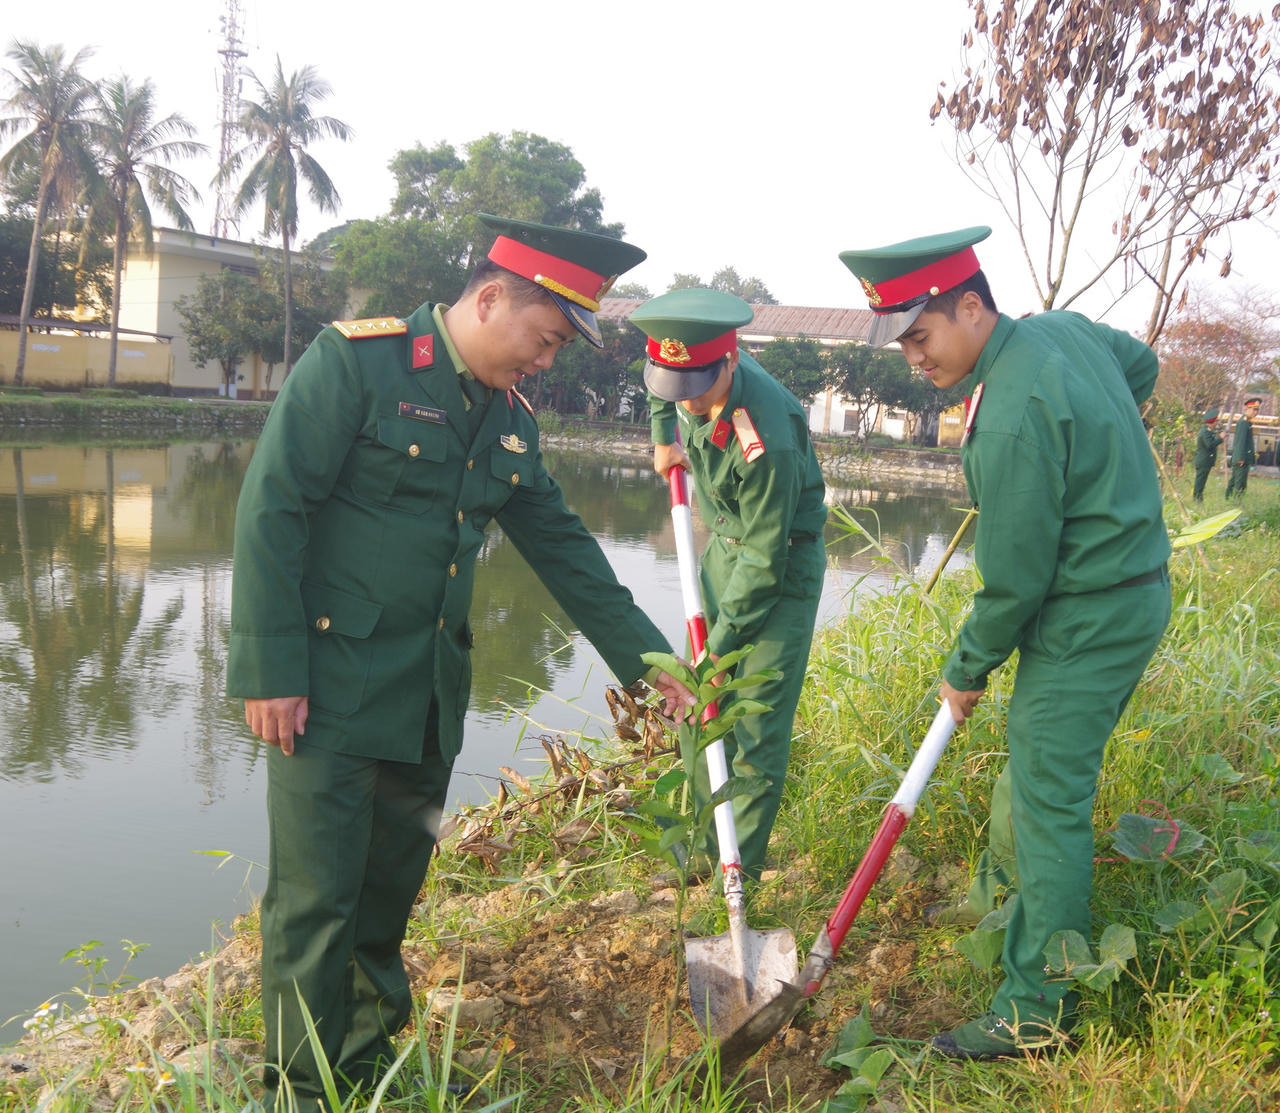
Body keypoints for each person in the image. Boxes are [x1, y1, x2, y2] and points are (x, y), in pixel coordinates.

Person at [226, 214, 695, 1108]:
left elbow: (565, 548)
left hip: (427, 695)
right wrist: (269, 668)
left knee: (386, 893)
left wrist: (649, 661)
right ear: (489, 298)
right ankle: (299, 1089)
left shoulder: (509, 418)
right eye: (545, 338)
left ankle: (363, 1060)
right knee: (316, 900)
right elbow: (272, 506)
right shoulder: (356, 363)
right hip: (324, 687)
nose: (546, 362)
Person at [840, 227, 1171, 1060]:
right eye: (903, 342)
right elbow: (1143, 369)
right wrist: (1101, 442)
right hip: (1131, 591)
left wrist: (964, 669)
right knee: (1034, 764)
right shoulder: (1060, 330)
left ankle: (1037, 1008)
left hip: (1086, 615)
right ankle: (1006, 897)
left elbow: (1013, 586)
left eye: (922, 335)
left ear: (972, 308)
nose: (914, 357)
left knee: (1050, 797)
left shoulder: (1007, 422)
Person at [629, 288, 828, 884]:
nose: (686, 404)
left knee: (754, 724)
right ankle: (690, 849)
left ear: (730, 361)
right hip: (722, 552)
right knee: (695, 706)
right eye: (674, 391)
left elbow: (766, 561)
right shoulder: (682, 373)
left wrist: (719, 651)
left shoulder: (768, 435)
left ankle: (735, 871)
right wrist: (665, 433)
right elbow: (663, 389)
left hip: (780, 567)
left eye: (695, 393)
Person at [1225, 397, 1261, 498]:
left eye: (1257, 410)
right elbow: (1240, 442)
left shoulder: (1247, 422)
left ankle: (1228, 498)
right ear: (1247, 409)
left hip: (1244, 457)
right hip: (1241, 459)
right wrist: (1240, 458)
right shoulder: (1243, 422)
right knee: (1240, 484)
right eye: (1254, 409)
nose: (1255, 412)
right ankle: (1237, 503)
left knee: (1234, 480)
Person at [1192, 409, 1223, 501]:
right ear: (1212, 422)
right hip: (1203, 461)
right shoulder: (1205, 432)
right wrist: (1220, 438)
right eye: (1216, 421)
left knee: (1202, 482)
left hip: (1205, 461)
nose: (1217, 423)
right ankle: (1197, 498)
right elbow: (1210, 444)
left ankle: (1198, 498)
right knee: (1200, 482)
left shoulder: (1208, 431)